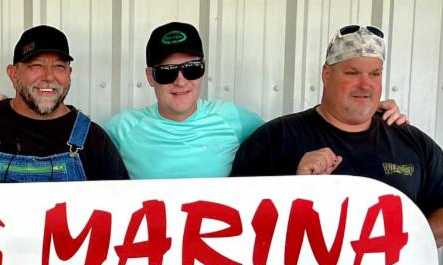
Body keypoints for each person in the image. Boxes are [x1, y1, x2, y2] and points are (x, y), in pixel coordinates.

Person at [232, 24, 443, 247]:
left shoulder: (413, 142)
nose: (365, 84)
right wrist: (297, 188)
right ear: (326, 74)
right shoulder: (275, 138)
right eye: (352, 73)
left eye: (374, 74)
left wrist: (398, 244)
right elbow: (237, 221)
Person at [103, 21, 409, 179]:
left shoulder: (235, 120)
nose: (181, 81)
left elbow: (298, 136)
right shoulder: (120, 129)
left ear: (203, 70)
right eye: (167, 72)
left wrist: (369, 112)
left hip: (216, 255)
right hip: (149, 258)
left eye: (191, 68)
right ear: (150, 76)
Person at [0, 25, 128, 182]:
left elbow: (120, 205)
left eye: (59, 66)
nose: (49, 76)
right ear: (13, 74)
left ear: (69, 73)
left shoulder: (93, 140)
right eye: (36, 66)